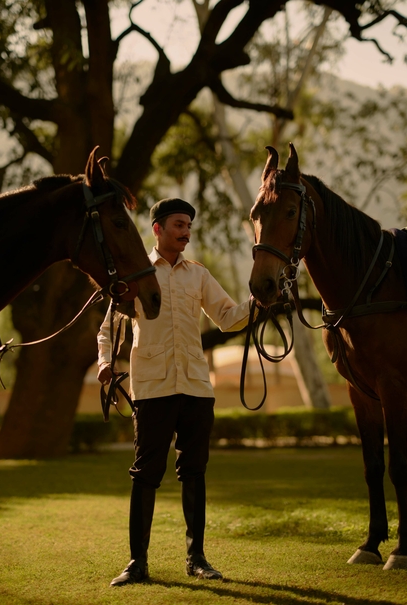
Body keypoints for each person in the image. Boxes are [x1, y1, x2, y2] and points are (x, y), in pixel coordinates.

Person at [97, 198, 252, 587]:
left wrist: (260, 300)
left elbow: (230, 317)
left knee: (194, 473)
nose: (185, 232)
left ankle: (197, 558)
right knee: (145, 474)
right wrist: (105, 363)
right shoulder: (136, 273)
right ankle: (137, 563)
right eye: (179, 225)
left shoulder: (198, 275)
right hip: (152, 387)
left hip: (197, 388)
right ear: (157, 229)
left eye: (188, 226)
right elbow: (107, 329)